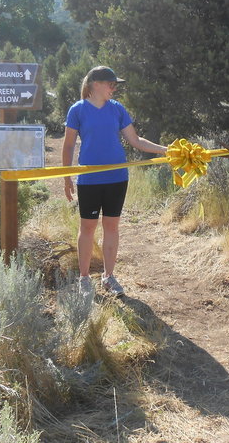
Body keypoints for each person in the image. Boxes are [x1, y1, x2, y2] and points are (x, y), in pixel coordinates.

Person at [62, 66, 167, 297]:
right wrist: (66, 176)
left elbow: (136, 140)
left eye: (115, 85)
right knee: (87, 227)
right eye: (111, 84)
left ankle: (109, 277)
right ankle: (85, 278)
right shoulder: (77, 110)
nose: (114, 88)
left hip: (117, 179)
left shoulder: (117, 109)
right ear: (95, 84)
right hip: (89, 180)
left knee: (111, 227)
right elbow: (68, 145)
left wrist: (165, 151)